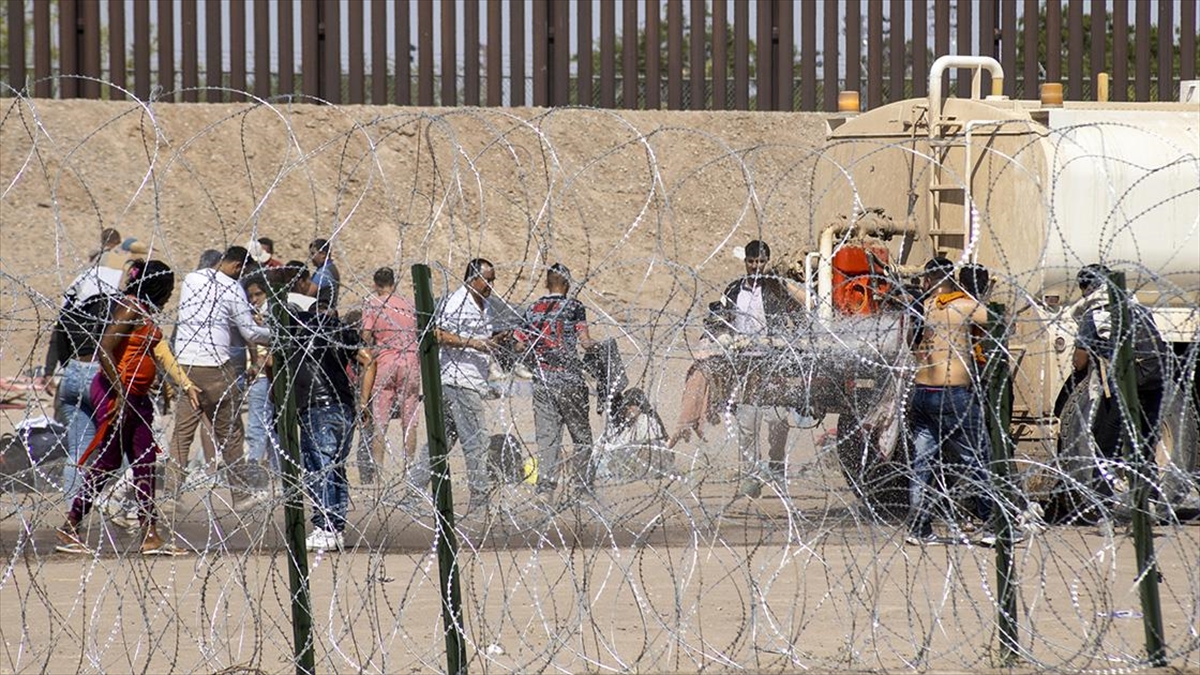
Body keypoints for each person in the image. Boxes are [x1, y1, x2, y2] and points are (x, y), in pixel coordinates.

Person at [54, 259, 200, 555]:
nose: (170, 295)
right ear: (155, 286)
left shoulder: (143, 310)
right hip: (118, 395)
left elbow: (147, 351)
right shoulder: (130, 307)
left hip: (137, 396)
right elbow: (104, 347)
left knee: (145, 461)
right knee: (108, 461)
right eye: (168, 288)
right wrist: (120, 391)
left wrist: (169, 384)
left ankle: (150, 534)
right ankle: (71, 525)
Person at [167, 246, 271, 522]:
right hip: (215, 368)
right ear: (236, 267)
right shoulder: (232, 287)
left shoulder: (192, 279)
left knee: (182, 435)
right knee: (230, 433)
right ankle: (241, 494)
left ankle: (170, 494)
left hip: (185, 365)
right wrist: (278, 334)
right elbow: (249, 332)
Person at [906, 257, 995, 546]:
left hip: (922, 393)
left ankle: (918, 529)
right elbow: (1001, 324)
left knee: (922, 464)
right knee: (978, 457)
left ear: (928, 281)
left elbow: (911, 342)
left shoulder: (923, 307)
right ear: (951, 280)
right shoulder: (965, 306)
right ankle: (993, 525)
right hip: (952, 394)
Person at [1071, 264, 1169, 517]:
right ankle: (1149, 502)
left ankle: (1102, 505)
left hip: (1123, 387)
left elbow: (1080, 361)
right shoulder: (1138, 308)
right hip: (1153, 383)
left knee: (1104, 445)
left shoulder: (1094, 315)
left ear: (1087, 287)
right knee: (1143, 444)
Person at [287, 288, 375, 551]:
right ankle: (335, 528)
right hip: (344, 407)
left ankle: (325, 527)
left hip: (316, 408)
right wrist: (363, 401)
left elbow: (270, 364)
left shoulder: (298, 332)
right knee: (335, 468)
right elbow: (369, 360)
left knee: (320, 468)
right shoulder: (339, 330)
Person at [413, 258, 503, 511]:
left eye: (493, 280)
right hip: (459, 382)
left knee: (441, 442)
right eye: (487, 280)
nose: (491, 285)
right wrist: (473, 343)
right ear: (472, 279)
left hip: (467, 381)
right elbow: (437, 334)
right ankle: (479, 500)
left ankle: (411, 491)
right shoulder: (457, 302)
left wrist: (496, 341)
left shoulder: (484, 304)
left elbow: (482, 340)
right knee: (477, 441)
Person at [717, 240, 804, 498]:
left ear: (767, 262)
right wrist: (723, 337)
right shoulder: (734, 290)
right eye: (752, 261)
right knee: (747, 421)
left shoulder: (775, 289)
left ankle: (776, 461)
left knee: (777, 419)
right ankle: (751, 476)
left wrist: (794, 341)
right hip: (744, 364)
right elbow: (720, 318)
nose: (756, 266)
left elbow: (798, 312)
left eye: (761, 262)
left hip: (773, 362)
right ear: (745, 261)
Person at [514, 263, 596, 496]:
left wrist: (535, 354)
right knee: (581, 436)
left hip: (543, 382)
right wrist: (598, 349)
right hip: (570, 381)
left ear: (546, 283)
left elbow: (519, 345)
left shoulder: (532, 309)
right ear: (567, 285)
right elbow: (585, 341)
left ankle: (545, 489)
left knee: (548, 438)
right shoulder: (574, 307)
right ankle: (581, 488)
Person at [360, 267, 422, 484]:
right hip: (410, 361)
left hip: (385, 362)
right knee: (409, 419)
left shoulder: (373, 304)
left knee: (380, 420)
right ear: (393, 283)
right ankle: (409, 470)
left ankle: (379, 474)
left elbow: (365, 336)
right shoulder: (409, 305)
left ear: (375, 284)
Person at [240, 275, 278, 503]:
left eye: (258, 294)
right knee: (264, 429)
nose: (254, 299)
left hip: (266, 376)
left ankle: (260, 484)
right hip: (259, 376)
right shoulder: (248, 315)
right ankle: (271, 480)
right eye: (250, 296)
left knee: (263, 429)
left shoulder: (272, 314)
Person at [596, 387, 670, 482]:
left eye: (631, 405)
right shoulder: (627, 424)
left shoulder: (647, 420)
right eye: (626, 406)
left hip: (654, 460)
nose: (628, 409)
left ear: (640, 406)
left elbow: (648, 445)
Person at [309, 239, 341, 310]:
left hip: (321, 311)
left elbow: (308, 293)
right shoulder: (329, 268)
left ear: (323, 254)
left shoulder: (324, 272)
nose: (311, 257)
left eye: (313, 254)